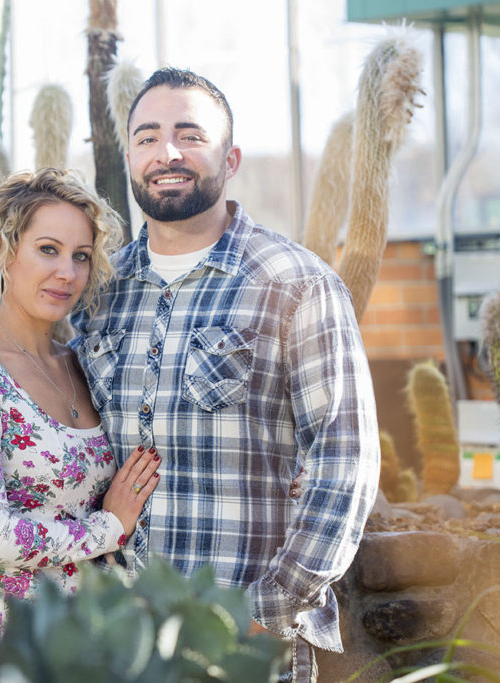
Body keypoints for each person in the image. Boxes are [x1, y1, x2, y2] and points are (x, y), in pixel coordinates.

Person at [66, 67, 380, 682]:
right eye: (148, 137)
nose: (168, 153)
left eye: (190, 134)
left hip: (241, 646)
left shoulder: (296, 284)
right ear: (129, 156)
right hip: (116, 642)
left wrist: (265, 613)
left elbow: (346, 463)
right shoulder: (98, 293)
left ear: (230, 157)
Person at [0, 168, 161, 637]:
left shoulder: (82, 364)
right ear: (2, 251)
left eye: (80, 256)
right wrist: (108, 527)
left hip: (91, 638)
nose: (67, 273)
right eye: (48, 250)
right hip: (11, 642)